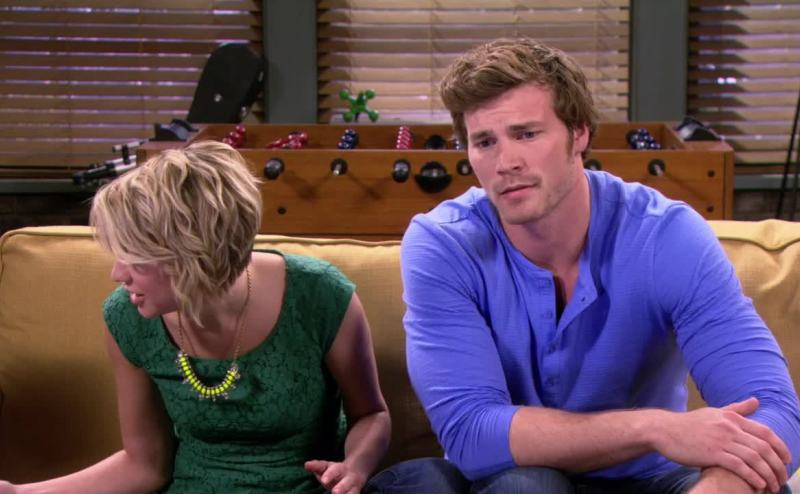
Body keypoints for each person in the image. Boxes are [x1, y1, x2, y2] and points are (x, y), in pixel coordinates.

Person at [366, 38, 800, 494]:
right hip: (514, 477)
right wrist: (653, 428)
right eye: (485, 142)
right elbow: (472, 434)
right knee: (526, 488)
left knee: (765, 487)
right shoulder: (444, 243)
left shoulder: (665, 235)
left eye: (527, 134)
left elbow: (774, 411)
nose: (506, 162)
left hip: (650, 481)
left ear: (579, 133)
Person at [0, 140, 390, 493]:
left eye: (136, 260)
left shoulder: (319, 295)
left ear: (194, 256)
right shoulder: (127, 317)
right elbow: (145, 466)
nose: (118, 274)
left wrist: (355, 467)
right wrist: (21, 493)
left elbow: (371, 414)